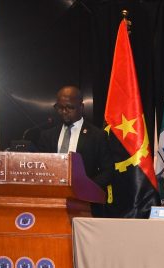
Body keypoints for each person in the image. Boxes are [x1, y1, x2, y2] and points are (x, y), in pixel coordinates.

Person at [37, 86, 114, 214]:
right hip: (53, 202)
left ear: (81, 107)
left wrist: (86, 187)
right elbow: (40, 167)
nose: (64, 111)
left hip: (86, 203)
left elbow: (108, 171)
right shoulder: (47, 135)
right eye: (60, 107)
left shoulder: (97, 135)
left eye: (69, 107)